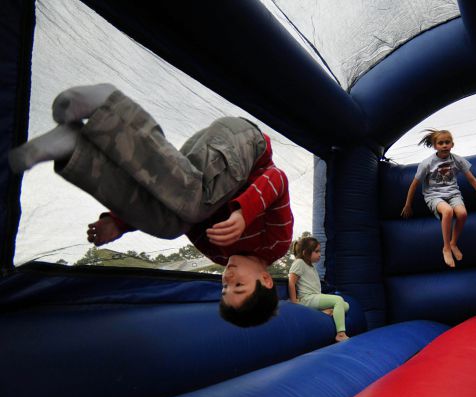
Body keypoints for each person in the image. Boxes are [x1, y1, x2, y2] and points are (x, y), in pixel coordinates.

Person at [9, 84, 293, 327]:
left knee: (172, 225)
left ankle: (75, 152)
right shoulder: (276, 244)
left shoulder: (219, 253)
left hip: (186, 168)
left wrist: (120, 223)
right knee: (194, 208)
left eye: (225, 288)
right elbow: (277, 179)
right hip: (245, 144)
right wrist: (245, 212)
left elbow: (174, 209)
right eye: (239, 286)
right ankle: (108, 106)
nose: (228, 278)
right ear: (266, 280)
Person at [401, 128, 476, 268]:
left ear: (452, 144)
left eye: (447, 142)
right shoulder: (427, 164)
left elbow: (472, 180)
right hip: (433, 195)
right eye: (441, 143)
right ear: (435, 146)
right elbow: (414, 185)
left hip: (453, 193)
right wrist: (408, 204)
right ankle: (446, 248)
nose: (445, 145)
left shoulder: (457, 160)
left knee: (462, 213)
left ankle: (453, 243)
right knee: (448, 211)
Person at [288, 236, 349, 342]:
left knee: (346, 305)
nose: (319, 254)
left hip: (315, 298)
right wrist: (294, 302)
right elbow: (291, 282)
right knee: (338, 300)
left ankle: (323, 312)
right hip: (307, 299)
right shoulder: (299, 263)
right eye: (316, 251)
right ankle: (340, 334)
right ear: (305, 252)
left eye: (319, 251)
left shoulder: (311, 266)